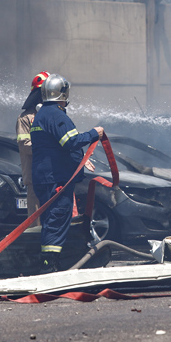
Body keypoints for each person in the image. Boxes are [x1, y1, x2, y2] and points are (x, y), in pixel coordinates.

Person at [30, 73, 103, 273]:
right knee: (57, 218)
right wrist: (93, 134)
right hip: (56, 179)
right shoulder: (56, 115)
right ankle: (50, 266)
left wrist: (80, 159)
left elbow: (56, 147)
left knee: (51, 220)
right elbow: (70, 142)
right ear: (62, 93)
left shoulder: (43, 114)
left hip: (46, 178)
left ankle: (51, 263)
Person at [16, 70, 49, 225]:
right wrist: (48, 147)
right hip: (35, 178)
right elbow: (25, 146)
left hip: (51, 177)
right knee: (36, 223)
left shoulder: (51, 116)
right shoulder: (25, 119)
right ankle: (36, 248)